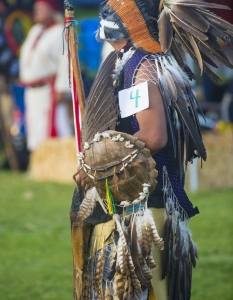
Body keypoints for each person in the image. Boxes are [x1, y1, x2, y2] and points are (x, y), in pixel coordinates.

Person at [69, 0, 233, 299]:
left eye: (110, 13)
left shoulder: (139, 67)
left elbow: (154, 135)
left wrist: (100, 163)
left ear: (124, 24)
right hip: (144, 196)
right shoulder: (138, 60)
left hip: (147, 203)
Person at [19, 0, 73, 152]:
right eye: (36, 8)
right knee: (35, 126)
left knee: (56, 125)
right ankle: (38, 165)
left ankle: (59, 163)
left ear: (52, 10)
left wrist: (62, 88)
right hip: (32, 89)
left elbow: (66, 60)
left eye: (41, 8)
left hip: (49, 89)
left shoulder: (59, 32)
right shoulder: (35, 30)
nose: (37, 11)